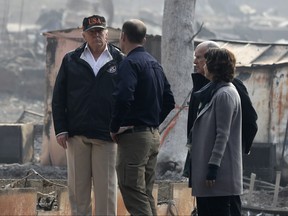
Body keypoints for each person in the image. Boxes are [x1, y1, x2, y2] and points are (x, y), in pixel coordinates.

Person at [52, 14, 124, 215]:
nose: (96, 36)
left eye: (100, 31)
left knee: (107, 191)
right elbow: (58, 98)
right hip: (77, 135)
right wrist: (61, 129)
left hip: (107, 136)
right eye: (92, 32)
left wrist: (122, 127)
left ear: (107, 33)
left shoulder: (120, 60)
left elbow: (128, 97)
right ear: (84, 35)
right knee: (78, 191)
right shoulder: (71, 60)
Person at [109, 19, 175, 216]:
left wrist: (115, 126)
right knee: (145, 193)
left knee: (133, 191)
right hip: (153, 136)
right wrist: (152, 122)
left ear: (122, 37)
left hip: (134, 138)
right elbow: (169, 101)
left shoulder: (129, 63)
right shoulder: (154, 64)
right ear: (144, 39)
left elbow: (123, 96)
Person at [189, 48, 243, 215]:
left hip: (218, 176)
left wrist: (213, 167)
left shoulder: (225, 94)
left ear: (214, 67)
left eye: (207, 62)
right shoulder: (215, 91)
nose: (203, 66)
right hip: (209, 173)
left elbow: (222, 134)